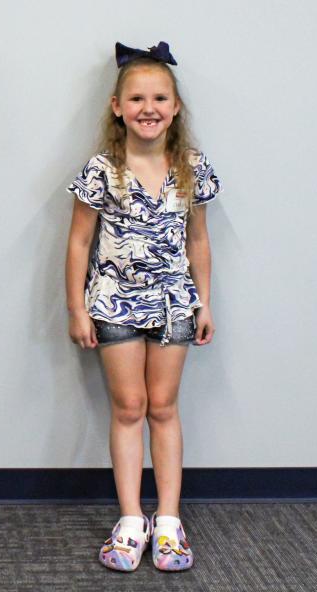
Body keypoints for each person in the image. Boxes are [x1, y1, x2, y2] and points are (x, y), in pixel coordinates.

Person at [64, 42, 220, 571]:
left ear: (175, 108)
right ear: (116, 107)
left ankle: (169, 520)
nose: (147, 108)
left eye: (159, 98)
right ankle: (132, 518)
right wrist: (77, 308)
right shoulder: (102, 170)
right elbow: (78, 243)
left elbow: (198, 241)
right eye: (136, 98)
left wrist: (204, 303)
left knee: (163, 407)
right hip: (112, 304)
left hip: (175, 302)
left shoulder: (191, 169)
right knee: (129, 407)